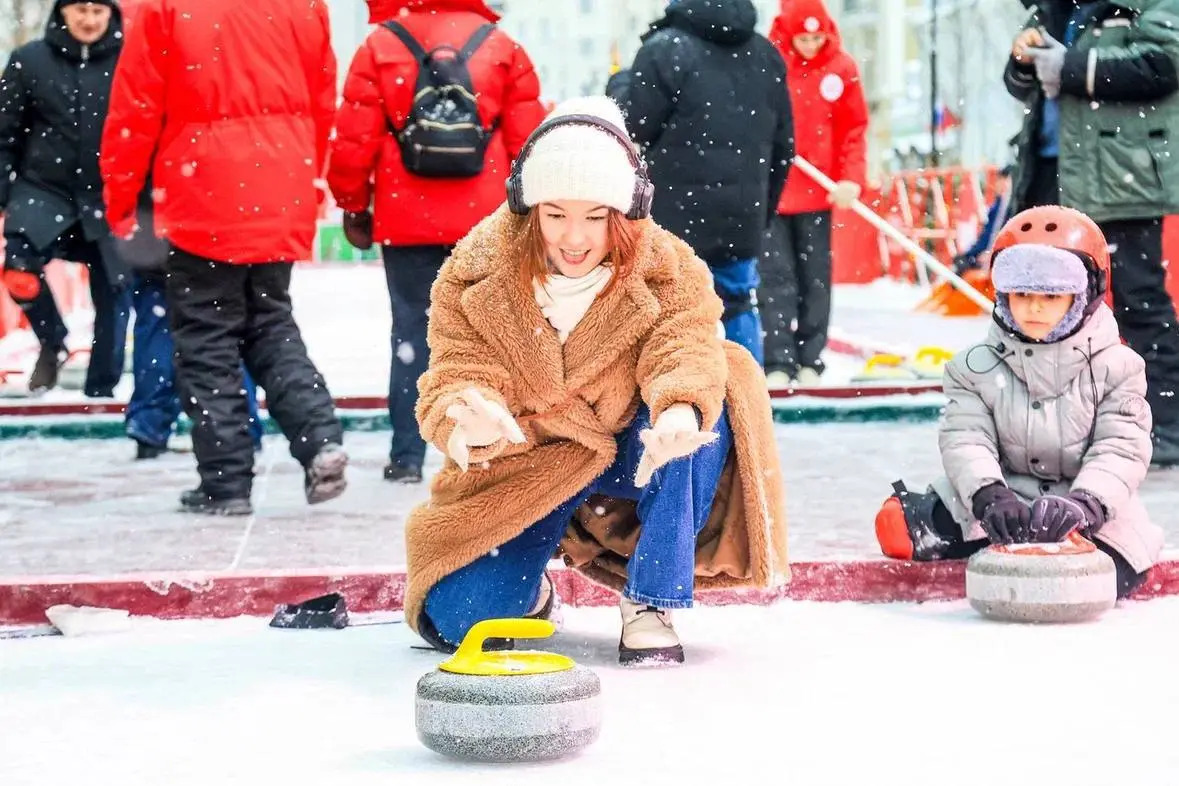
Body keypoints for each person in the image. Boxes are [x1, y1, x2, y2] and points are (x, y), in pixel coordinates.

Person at [403, 96, 789, 666]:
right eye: (556, 215)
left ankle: (649, 599)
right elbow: (455, 369)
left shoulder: (668, 267)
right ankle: (531, 585)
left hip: (631, 451)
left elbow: (682, 347)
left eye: (596, 216)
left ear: (625, 211)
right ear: (528, 208)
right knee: (460, 622)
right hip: (528, 458)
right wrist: (470, 415)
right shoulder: (475, 272)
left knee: (718, 389)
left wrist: (679, 411)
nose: (574, 238)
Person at [100, 0, 346, 515]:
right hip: (280, 186)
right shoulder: (304, 6)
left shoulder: (166, 8)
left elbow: (134, 109)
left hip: (201, 195)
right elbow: (324, 101)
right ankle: (320, 437)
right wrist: (309, 179)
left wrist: (121, 201)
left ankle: (226, 483)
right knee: (272, 325)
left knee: (206, 339)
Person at [874, 206, 1162, 600]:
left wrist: (1086, 504)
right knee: (899, 527)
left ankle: (1065, 546)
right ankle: (1004, 539)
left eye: (1052, 295)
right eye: (1022, 293)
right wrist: (988, 495)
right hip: (1005, 497)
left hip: (1087, 505)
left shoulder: (1119, 366)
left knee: (1103, 574)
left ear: (1084, 295)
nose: (1035, 307)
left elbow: (1122, 448)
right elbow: (966, 438)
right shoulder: (972, 367)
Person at [327, 0, 545, 484]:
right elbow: (527, 144)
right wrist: (530, 213)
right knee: (491, 335)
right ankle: (493, 448)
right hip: (485, 221)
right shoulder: (501, 46)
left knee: (412, 334)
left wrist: (353, 203)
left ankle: (406, 454)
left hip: (407, 218)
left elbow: (353, 140)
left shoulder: (382, 44)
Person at [1004, 0, 1179, 466]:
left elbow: (1164, 64)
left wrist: (1070, 65)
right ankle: (1059, 429)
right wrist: (1023, 61)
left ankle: (1168, 424)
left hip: (1118, 176)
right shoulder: (1051, 8)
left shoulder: (1149, 5)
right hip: (1049, 172)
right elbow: (1022, 85)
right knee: (1046, 308)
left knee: (1139, 300)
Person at [605, 0, 793, 364]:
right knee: (737, 304)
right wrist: (761, 213)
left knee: (668, 309)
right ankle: (745, 404)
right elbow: (785, 147)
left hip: (673, 218)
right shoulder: (766, 55)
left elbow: (634, 122)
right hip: (742, 214)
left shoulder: (664, 48)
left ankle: (672, 405)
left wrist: (620, 81)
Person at [0, 0, 131, 397]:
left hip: (109, 193)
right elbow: (5, 134)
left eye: (98, 12)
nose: (88, 20)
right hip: (44, 191)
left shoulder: (130, 62)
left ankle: (101, 388)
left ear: (111, 15)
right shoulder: (28, 61)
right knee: (19, 269)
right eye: (80, 10)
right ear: (63, 13)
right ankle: (52, 341)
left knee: (115, 291)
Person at [761, 0, 869, 388]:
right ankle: (777, 360)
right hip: (773, 190)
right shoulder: (768, 62)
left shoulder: (841, 68)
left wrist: (851, 178)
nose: (809, 45)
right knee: (775, 279)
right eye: (802, 38)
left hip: (820, 191)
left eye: (816, 37)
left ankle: (810, 359)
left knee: (815, 279)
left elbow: (853, 129)